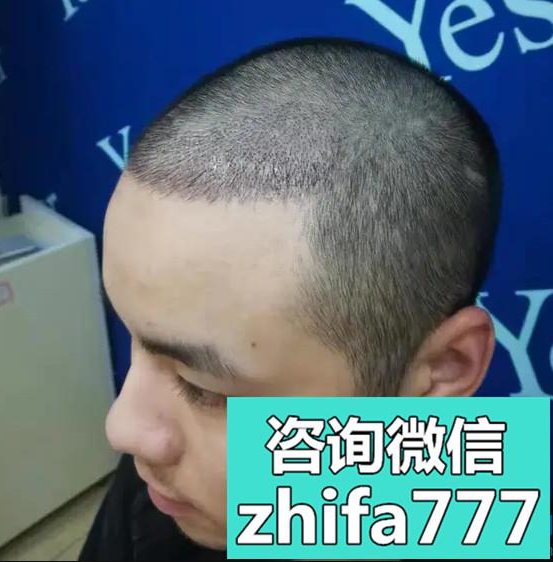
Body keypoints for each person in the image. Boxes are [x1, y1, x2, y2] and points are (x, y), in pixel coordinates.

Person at [79, 37, 502, 561]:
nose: (121, 426)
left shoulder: (484, 515)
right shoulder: (164, 482)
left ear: (443, 369)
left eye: (205, 389)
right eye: (133, 338)